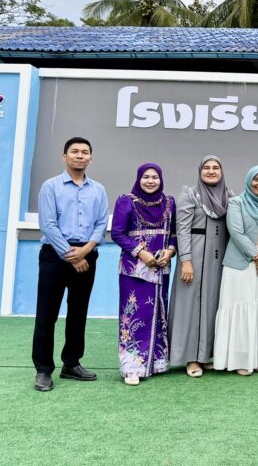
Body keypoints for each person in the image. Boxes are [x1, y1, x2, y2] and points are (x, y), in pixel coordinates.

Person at [32, 137, 108, 392]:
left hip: (87, 255)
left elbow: (101, 224)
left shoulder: (98, 189)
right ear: (64, 156)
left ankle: (71, 363)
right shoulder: (50, 186)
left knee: (78, 312)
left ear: (90, 158)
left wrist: (85, 251)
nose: (80, 155)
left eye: (85, 152)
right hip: (54, 255)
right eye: (74, 151)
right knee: (47, 313)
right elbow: (48, 224)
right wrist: (70, 255)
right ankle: (43, 369)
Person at [111, 163, 176, 386]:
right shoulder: (126, 201)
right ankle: (132, 367)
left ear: (161, 180)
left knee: (157, 312)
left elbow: (174, 234)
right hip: (135, 269)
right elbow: (117, 234)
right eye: (146, 177)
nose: (150, 181)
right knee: (134, 314)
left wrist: (170, 251)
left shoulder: (169, 203)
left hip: (160, 266)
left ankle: (156, 362)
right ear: (139, 179)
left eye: (155, 177)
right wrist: (141, 253)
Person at [168, 155, 234, 377]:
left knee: (211, 306)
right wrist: (186, 261)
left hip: (218, 260)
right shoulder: (190, 195)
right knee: (191, 306)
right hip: (194, 259)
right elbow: (182, 229)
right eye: (206, 167)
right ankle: (190, 358)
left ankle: (205, 356)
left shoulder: (228, 197)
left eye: (216, 167)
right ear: (200, 171)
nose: (211, 171)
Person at [214, 165, 258, 375]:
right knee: (241, 308)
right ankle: (240, 359)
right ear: (249, 181)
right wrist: (255, 255)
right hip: (240, 265)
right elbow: (236, 231)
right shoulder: (237, 203)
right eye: (256, 180)